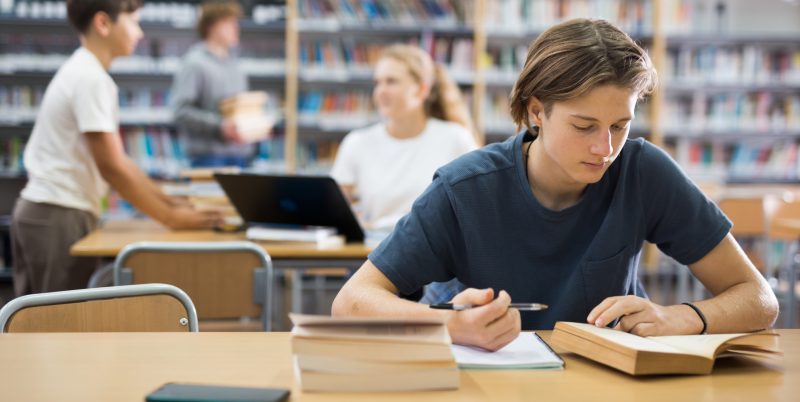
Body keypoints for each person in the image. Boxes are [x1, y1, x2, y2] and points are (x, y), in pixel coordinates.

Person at [332, 19, 779, 351]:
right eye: (584, 126)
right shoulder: (465, 189)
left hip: (610, 385)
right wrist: (449, 324)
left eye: (620, 126)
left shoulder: (643, 171)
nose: (605, 148)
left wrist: (682, 317)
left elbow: (759, 299)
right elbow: (352, 302)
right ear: (536, 111)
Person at [11, 0, 223, 296]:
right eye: (134, 22)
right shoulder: (90, 78)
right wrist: (171, 218)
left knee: (36, 326)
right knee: (54, 329)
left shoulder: (85, 70)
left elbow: (120, 161)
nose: (139, 33)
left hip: (53, 212)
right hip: (56, 215)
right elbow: (111, 167)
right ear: (103, 24)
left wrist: (172, 203)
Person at [330, 44, 477, 232]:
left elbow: (477, 203)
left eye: (391, 81)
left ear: (421, 90)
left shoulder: (456, 138)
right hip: (377, 250)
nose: (380, 91)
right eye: (378, 82)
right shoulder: (357, 142)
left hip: (438, 252)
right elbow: (333, 212)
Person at [171, 0, 252, 168]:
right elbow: (180, 112)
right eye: (229, 23)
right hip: (208, 158)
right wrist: (220, 126)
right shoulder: (194, 63)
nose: (236, 29)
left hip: (239, 155)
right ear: (212, 26)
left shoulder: (235, 64)